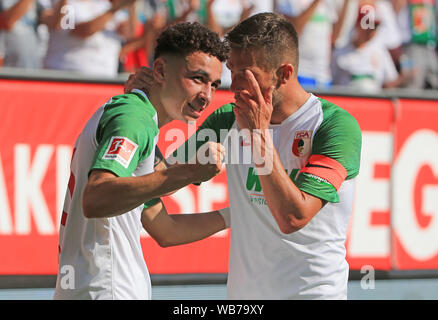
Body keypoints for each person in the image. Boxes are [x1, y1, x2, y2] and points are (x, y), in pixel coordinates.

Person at [129, 12, 362, 299]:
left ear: (284, 74)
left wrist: (258, 136)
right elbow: (160, 178)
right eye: (232, 70)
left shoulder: (334, 126)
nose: (234, 85)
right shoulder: (228, 118)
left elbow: (292, 217)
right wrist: (146, 113)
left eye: (246, 74)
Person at [53, 21, 230, 300]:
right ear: (160, 71)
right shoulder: (134, 119)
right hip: (109, 290)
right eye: (198, 79)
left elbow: (165, 230)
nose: (207, 96)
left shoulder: (133, 116)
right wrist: (188, 172)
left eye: (214, 85)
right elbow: (96, 198)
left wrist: (236, 216)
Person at [42, 0, 137, 77]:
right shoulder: (62, 4)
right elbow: (84, 31)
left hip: (105, 79)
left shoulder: (105, 5)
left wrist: (131, 6)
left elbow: (129, 32)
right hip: (68, 77)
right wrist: (115, 9)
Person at [331, 4, 411, 92]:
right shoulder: (340, 51)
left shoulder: (379, 50)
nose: (370, 31)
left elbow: (389, 82)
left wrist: (404, 78)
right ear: (357, 26)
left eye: (373, 28)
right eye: (366, 27)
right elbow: (332, 83)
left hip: (373, 102)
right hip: (347, 101)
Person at [274, 0, 349, 89]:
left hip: (323, 76)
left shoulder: (328, 3)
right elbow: (293, 31)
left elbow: (335, 37)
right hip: (300, 73)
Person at [0, 0, 47, 68]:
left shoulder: (35, 3)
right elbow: (7, 22)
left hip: (33, 67)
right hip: (9, 70)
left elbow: (52, 22)